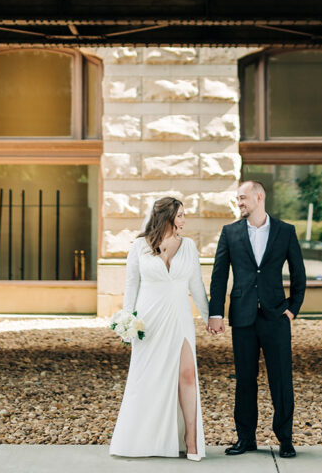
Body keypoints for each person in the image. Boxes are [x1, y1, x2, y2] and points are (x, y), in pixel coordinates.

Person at [207, 180, 306, 460]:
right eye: (237, 198)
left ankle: (285, 439)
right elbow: (219, 277)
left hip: (276, 317)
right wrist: (216, 313)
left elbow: (299, 273)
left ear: (259, 196)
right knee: (245, 380)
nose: (239, 202)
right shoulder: (230, 232)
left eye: (242, 197)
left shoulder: (286, 231)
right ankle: (245, 438)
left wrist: (292, 308)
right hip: (243, 318)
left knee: (281, 380)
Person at [110, 196, 209, 460]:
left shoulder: (188, 246)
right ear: (166, 217)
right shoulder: (139, 246)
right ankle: (144, 439)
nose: (184, 220)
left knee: (187, 375)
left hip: (179, 317)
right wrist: (127, 321)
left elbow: (197, 285)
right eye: (180, 216)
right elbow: (132, 284)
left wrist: (209, 317)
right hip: (149, 321)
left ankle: (190, 439)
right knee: (148, 379)